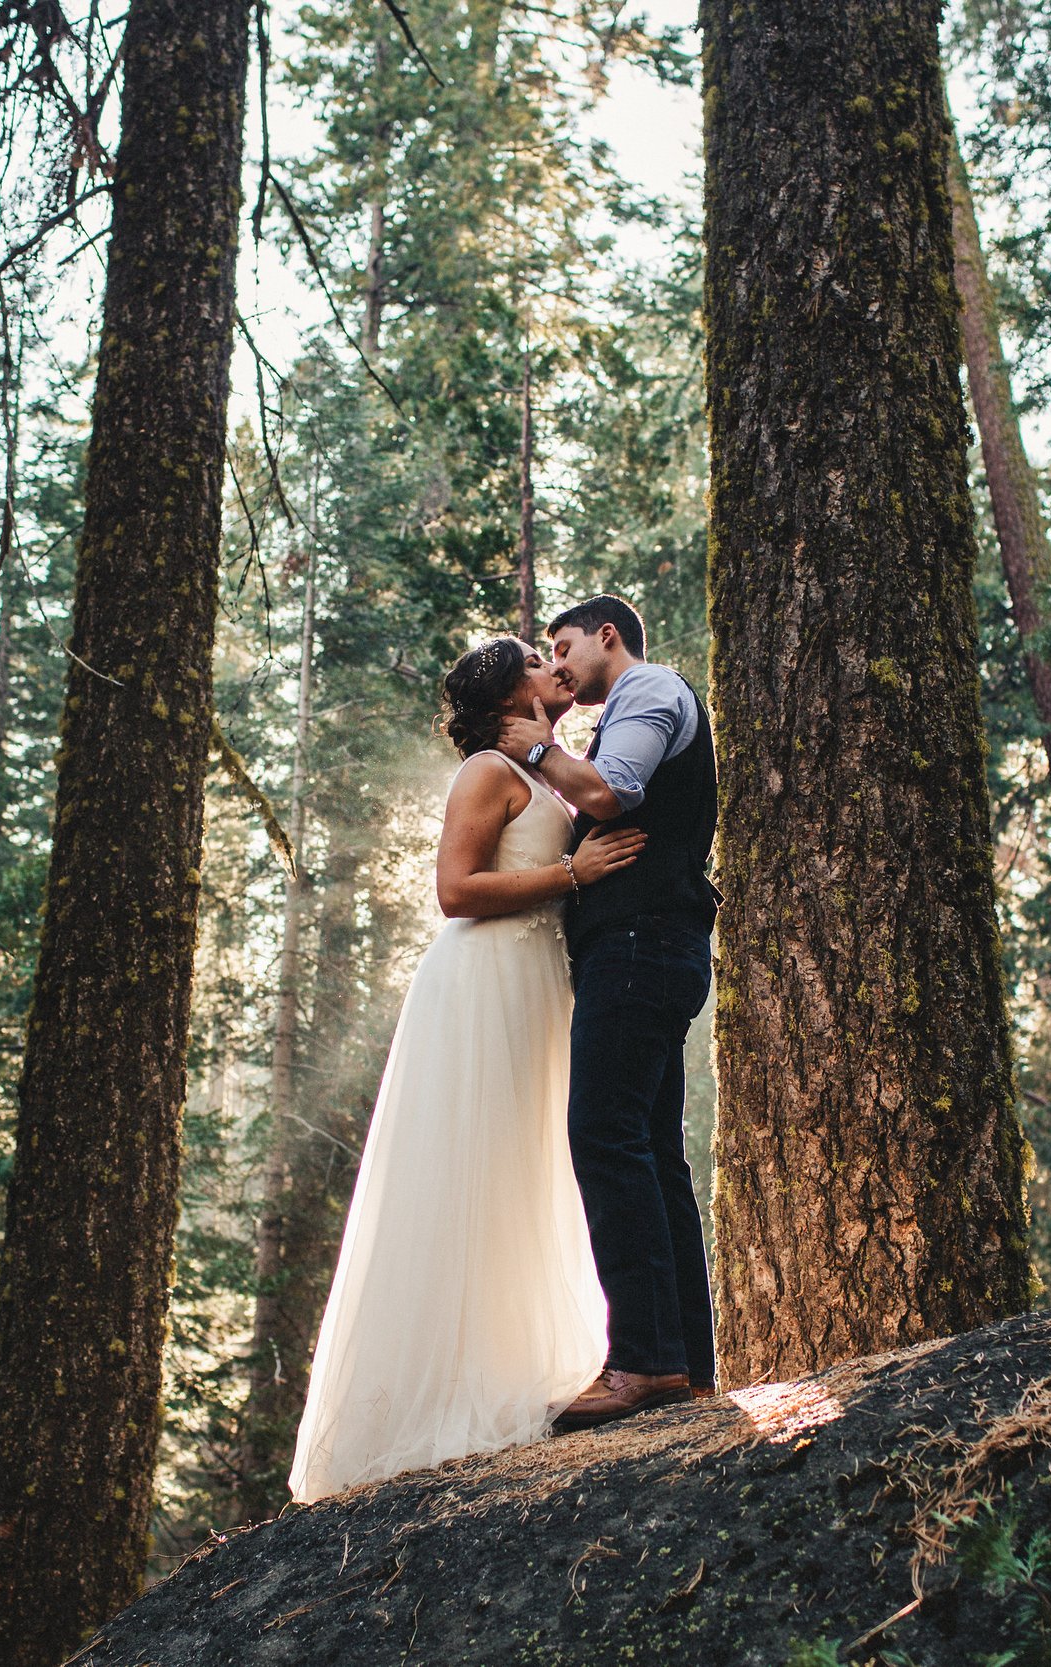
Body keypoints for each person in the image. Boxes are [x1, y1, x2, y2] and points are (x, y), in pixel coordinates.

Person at [288, 638, 649, 1501]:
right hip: (482, 978)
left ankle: (520, 1364)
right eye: (535, 656)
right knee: (472, 1167)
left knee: (526, 1168)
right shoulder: (489, 771)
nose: (552, 661)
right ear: (506, 692)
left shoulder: (549, 765)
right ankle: (439, 1400)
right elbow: (454, 888)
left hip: (535, 982)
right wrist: (572, 870)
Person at [496, 595, 719, 1431]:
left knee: (604, 1132)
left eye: (564, 646)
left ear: (608, 637)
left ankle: (643, 1363)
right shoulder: (630, 704)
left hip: (640, 942)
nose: (558, 664)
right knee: (654, 1152)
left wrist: (539, 746)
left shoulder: (650, 689)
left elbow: (612, 790)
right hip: (644, 945)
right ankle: (684, 1363)